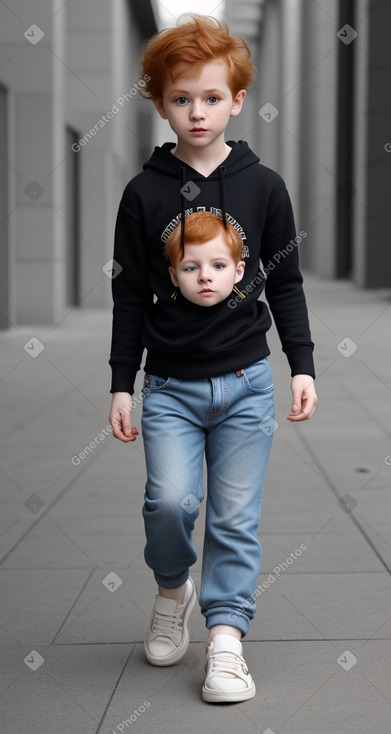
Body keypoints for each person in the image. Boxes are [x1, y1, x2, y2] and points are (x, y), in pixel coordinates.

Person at [108, 14, 318, 704]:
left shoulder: (264, 187)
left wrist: (302, 364)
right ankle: (174, 590)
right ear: (159, 102)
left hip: (246, 386)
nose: (195, 112)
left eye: (209, 97)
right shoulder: (143, 194)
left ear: (235, 99)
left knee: (232, 519)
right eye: (179, 98)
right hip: (167, 387)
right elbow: (130, 295)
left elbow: (284, 282)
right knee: (168, 503)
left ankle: (225, 640)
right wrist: (120, 383)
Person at [164, 210, 246, 307]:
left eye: (218, 266)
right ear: (174, 277)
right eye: (191, 268)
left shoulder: (252, 321)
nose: (205, 276)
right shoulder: (161, 321)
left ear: (238, 271)